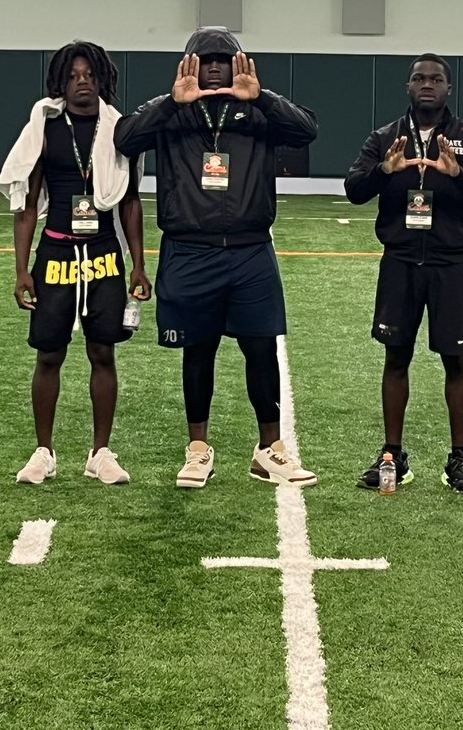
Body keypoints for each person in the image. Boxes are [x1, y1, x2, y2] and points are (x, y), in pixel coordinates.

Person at [114, 27, 318, 490]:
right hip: (189, 250)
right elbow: (125, 139)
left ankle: (270, 450)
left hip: (250, 250)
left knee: (261, 346)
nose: (212, 66)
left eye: (221, 59)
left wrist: (261, 97)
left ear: (237, 64)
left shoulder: (257, 107)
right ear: (188, 64)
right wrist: (172, 102)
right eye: (203, 58)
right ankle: (198, 449)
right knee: (198, 348)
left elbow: (307, 130)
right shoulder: (170, 110)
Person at [344, 53, 463, 494]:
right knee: (396, 356)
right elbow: (354, 190)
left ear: (448, 88)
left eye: (435, 78)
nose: (427, 84)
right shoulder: (386, 138)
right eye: (419, 78)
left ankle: (459, 458)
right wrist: (384, 170)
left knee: (455, 358)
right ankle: (392, 454)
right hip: (399, 263)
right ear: (408, 87)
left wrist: (459, 175)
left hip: (450, 264)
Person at [0, 41, 151, 486]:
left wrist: (139, 264)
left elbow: (131, 200)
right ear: (60, 82)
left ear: (103, 79)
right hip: (57, 253)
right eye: (73, 75)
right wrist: (21, 269)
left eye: (89, 74)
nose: (81, 81)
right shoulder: (44, 126)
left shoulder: (120, 129)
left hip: (103, 253)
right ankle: (43, 452)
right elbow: (27, 204)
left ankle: (101, 452)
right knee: (50, 353)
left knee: (103, 351)